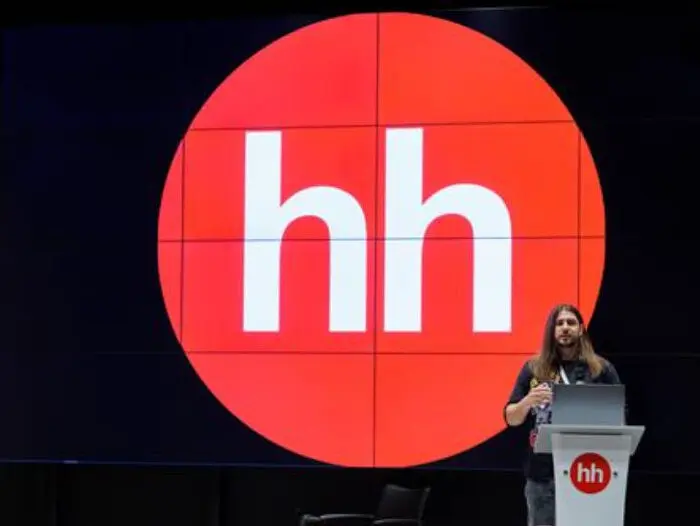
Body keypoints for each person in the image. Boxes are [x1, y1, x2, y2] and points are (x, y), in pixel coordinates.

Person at [503, 303, 622, 526]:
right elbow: (511, 418)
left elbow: (620, 417)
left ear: (581, 329)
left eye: (571, 323)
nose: (565, 327)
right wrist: (528, 401)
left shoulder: (601, 369)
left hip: (588, 468)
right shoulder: (534, 368)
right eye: (559, 323)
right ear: (552, 330)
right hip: (542, 472)